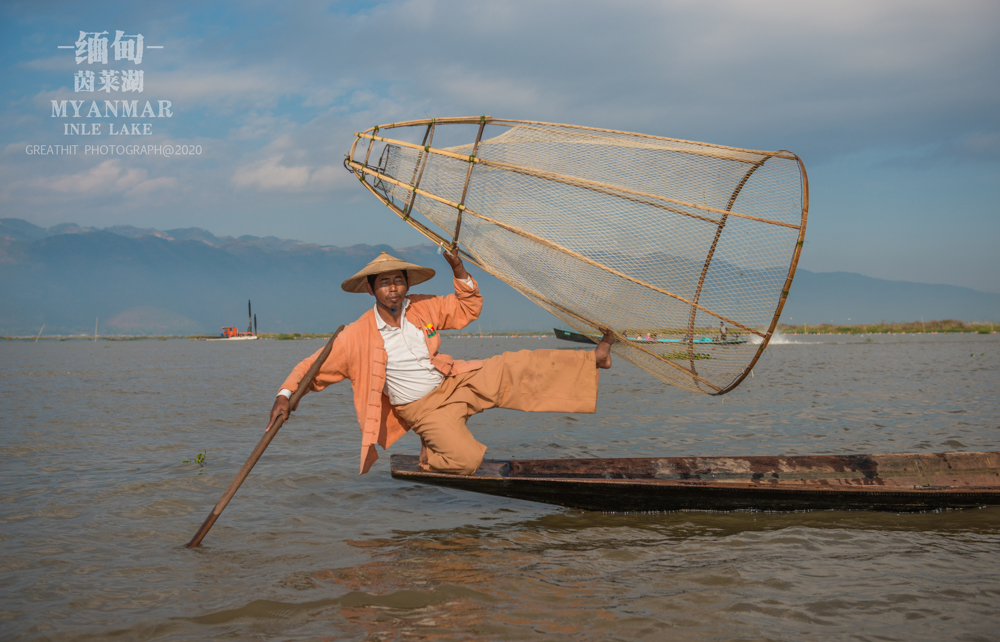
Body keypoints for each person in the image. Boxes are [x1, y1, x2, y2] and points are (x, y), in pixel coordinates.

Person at [268, 248, 614, 476]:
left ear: (406, 285)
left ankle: (593, 358)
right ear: (371, 289)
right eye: (385, 283)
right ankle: (432, 453)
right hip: (424, 410)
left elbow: (466, 309)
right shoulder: (355, 336)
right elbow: (311, 367)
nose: (393, 289)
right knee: (467, 461)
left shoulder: (422, 307)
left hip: (454, 381)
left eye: (398, 281)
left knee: (516, 363)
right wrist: (285, 395)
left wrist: (459, 268)